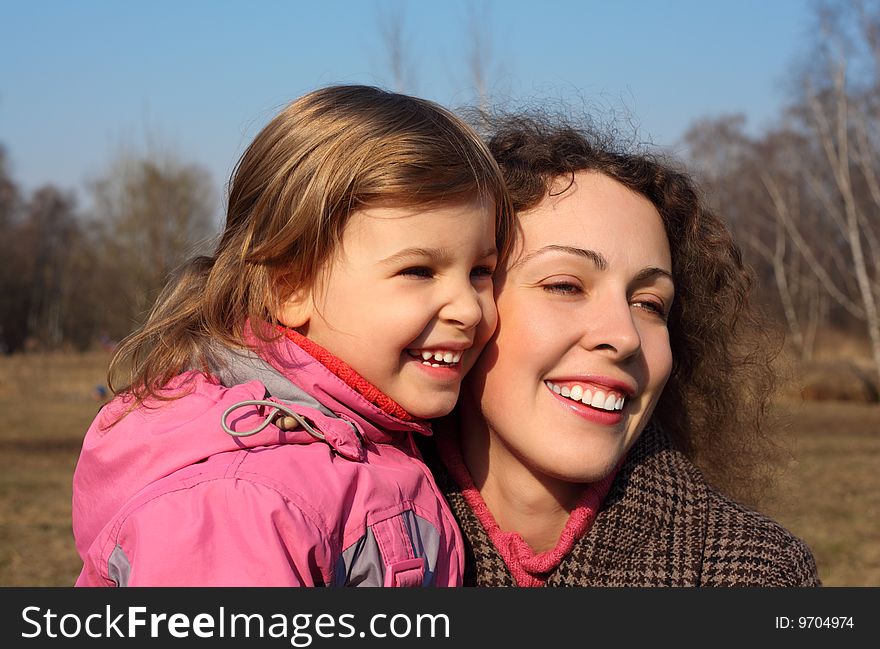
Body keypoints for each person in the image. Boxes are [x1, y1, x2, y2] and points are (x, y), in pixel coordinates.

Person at [72, 85, 513, 587]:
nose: (469, 308)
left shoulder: (372, 435)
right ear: (290, 287)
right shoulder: (244, 503)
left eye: (481, 271)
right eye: (418, 271)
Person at [419, 113, 821, 586]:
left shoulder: (756, 572)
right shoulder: (336, 530)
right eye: (566, 285)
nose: (626, 335)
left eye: (650, 303)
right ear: (466, 307)